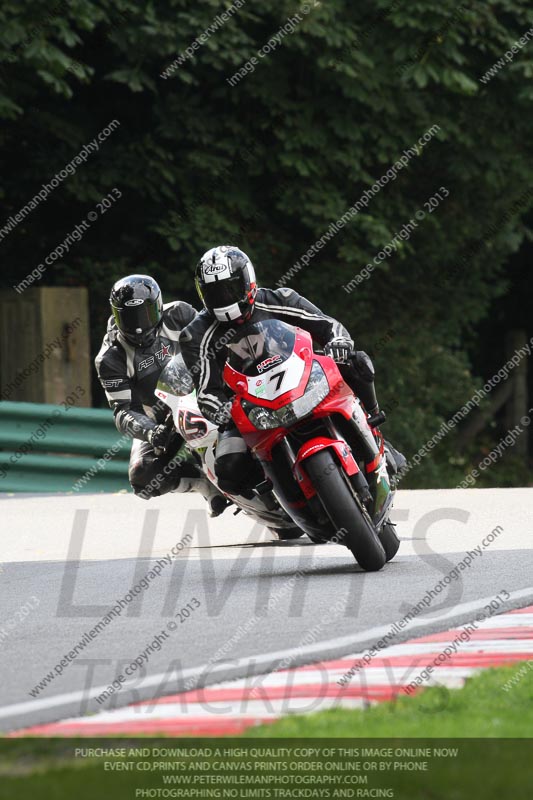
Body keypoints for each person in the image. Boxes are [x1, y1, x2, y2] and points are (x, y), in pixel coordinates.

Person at [179, 246, 405, 496]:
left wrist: (338, 342)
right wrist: (221, 410)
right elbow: (206, 389)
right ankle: (274, 498)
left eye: (230, 288)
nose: (224, 299)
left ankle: (374, 427)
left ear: (248, 280)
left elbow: (328, 325)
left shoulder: (280, 299)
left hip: (301, 376)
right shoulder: (195, 335)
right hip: (247, 406)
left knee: (357, 362)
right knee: (228, 471)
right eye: (215, 293)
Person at [95, 273, 228, 515]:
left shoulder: (179, 314)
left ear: (158, 306)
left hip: (206, 388)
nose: (138, 325)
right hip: (160, 417)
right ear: (116, 315)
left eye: (145, 314)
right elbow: (123, 410)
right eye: (128, 316)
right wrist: (149, 430)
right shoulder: (110, 357)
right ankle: (205, 485)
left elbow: (216, 342)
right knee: (142, 476)